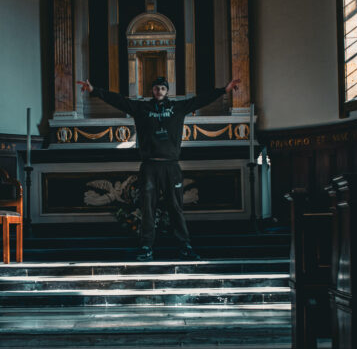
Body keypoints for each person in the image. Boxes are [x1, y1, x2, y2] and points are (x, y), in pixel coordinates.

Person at [77, 75, 241, 260]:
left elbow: (200, 100)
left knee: (176, 208)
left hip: (171, 167)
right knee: (147, 208)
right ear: (152, 91)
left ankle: (185, 246)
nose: (159, 91)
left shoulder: (178, 108)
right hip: (149, 166)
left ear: (167, 91)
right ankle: (146, 247)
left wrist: (224, 90)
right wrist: (94, 91)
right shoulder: (141, 108)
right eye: (156, 88)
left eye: (162, 88)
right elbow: (119, 101)